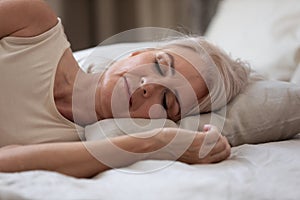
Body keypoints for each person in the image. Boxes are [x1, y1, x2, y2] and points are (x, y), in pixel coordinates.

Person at [0, 0, 249, 178]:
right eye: (160, 65)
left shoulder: (74, 150)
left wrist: (156, 142)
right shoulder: (33, 26)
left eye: (166, 101)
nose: (148, 86)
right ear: (137, 52)